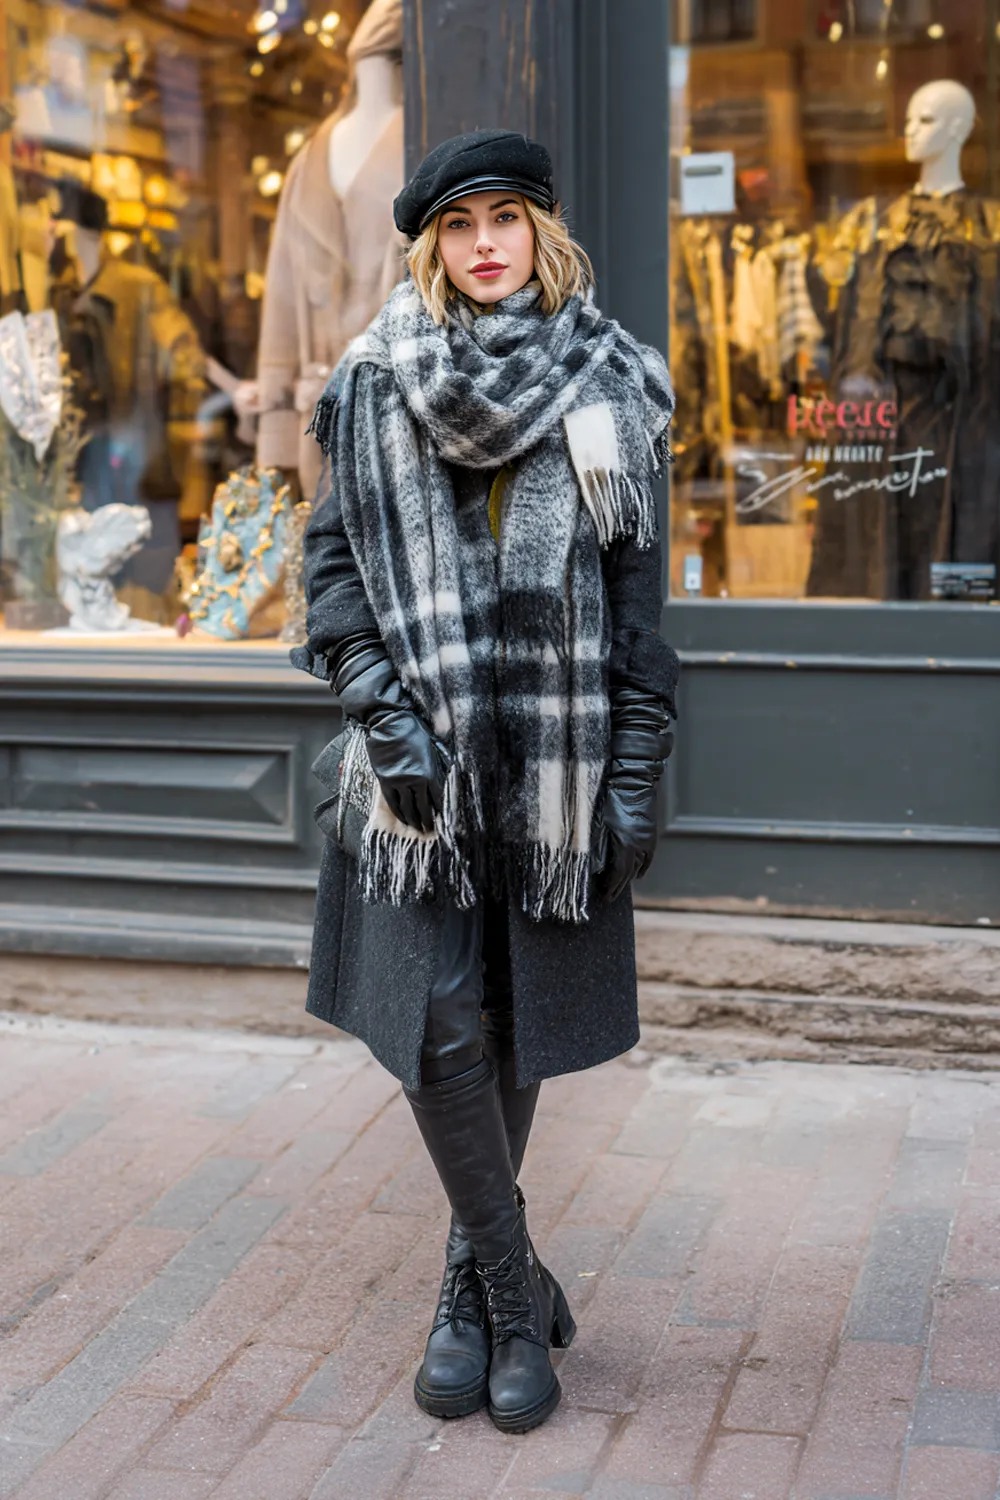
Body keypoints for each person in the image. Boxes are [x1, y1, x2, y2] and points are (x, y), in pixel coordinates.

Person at [292, 129, 679, 1434]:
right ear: (432, 248)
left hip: (556, 766)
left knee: (509, 1024)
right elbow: (331, 576)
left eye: (506, 217)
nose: (486, 242)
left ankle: (471, 1288)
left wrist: (637, 760)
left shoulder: (613, 386)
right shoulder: (371, 379)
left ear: (542, 232)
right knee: (444, 1028)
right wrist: (377, 705)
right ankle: (517, 1297)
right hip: (419, 770)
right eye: (460, 226)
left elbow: (636, 605)